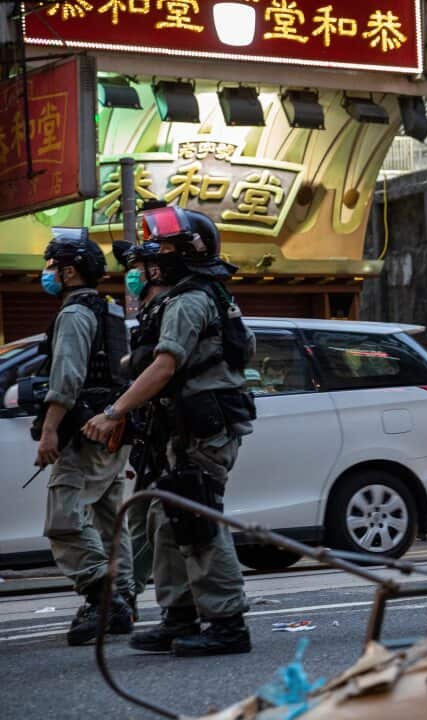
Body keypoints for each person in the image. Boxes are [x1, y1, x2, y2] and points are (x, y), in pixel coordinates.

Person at [83, 207, 256, 656]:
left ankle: (226, 622)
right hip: (179, 427)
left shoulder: (190, 301)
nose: (147, 263)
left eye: (157, 251)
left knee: (198, 518)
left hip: (201, 427)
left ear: (184, 253)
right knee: (165, 521)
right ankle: (179, 617)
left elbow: (165, 365)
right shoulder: (189, 298)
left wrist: (114, 411)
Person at [33, 228, 134, 646]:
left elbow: (67, 377)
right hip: (112, 429)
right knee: (110, 518)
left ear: (70, 271)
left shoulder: (75, 313)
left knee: (64, 517)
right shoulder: (110, 311)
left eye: (53, 267)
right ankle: (122, 596)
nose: (48, 274)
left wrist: (50, 429)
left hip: (84, 430)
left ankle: (103, 595)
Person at [111, 234, 172, 618]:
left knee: (164, 520)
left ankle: (189, 611)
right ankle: (128, 597)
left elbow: (162, 368)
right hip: (151, 431)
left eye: (136, 269)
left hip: (175, 430)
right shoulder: (150, 314)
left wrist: (114, 411)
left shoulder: (174, 308)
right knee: (143, 517)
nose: (131, 277)